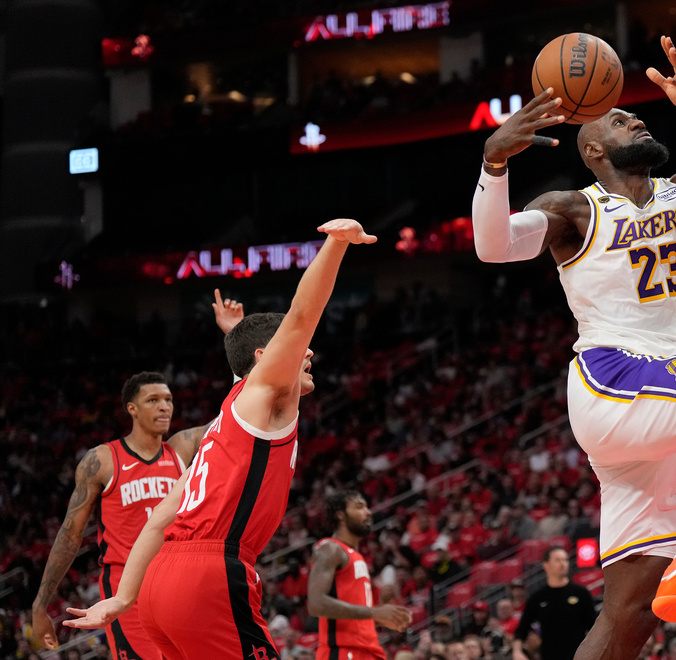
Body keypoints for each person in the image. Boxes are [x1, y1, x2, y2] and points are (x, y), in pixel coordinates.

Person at [472, 33, 676, 655]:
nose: (633, 114)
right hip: (613, 378)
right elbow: (493, 245)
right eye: (617, 118)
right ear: (592, 149)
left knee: (632, 611)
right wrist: (493, 163)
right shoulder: (574, 210)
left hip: (662, 402)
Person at [62, 219, 377, 659]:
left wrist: (123, 598)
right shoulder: (271, 393)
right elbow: (302, 317)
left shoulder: (223, 427)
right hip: (210, 574)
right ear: (268, 360)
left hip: (158, 584)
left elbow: (157, 522)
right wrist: (336, 246)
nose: (308, 352)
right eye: (299, 347)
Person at [30, 371, 207, 657]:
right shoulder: (102, 460)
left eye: (168, 399)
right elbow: (70, 535)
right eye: (153, 400)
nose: (164, 406)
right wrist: (40, 606)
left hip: (177, 584)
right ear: (132, 409)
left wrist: (242, 353)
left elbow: (235, 416)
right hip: (126, 589)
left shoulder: (180, 450)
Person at [307, 490, 412, 660]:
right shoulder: (330, 548)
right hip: (343, 652)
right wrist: (373, 614)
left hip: (369, 651)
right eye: (359, 507)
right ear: (341, 515)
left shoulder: (357, 557)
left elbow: (353, 614)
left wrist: (382, 617)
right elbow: (316, 603)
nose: (368, 511)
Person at [512, 546, 596, 660]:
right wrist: (517, 652)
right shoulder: (538, 597)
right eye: (557, 560)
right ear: (545, 565)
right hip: (549, 656)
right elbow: (521, 630)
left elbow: (594, 627)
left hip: (579, 656)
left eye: (565, 560)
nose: (563, 563)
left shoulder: (581, 593)